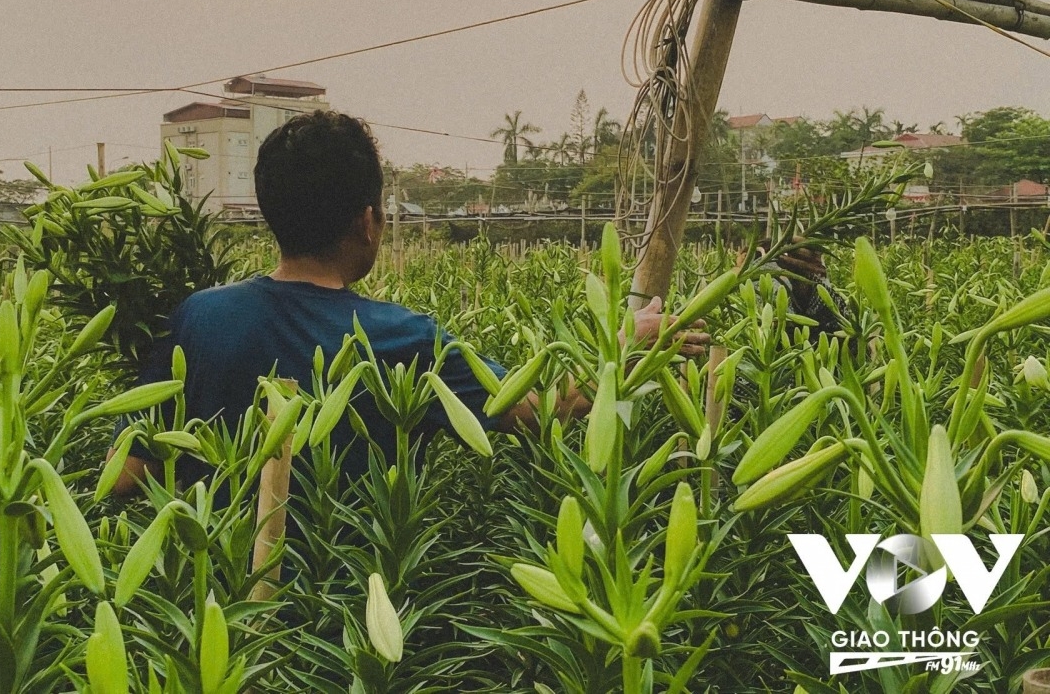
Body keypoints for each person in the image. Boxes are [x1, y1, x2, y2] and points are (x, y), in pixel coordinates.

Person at [106, 110, 708, 496]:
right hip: (354, 623)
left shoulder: (199, 314)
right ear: (368, 222)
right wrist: (624, 346)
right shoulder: (400, 337)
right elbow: (533, 410)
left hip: (214, 606)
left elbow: (127, 473)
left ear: (270, 213)